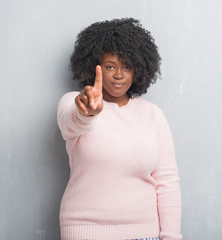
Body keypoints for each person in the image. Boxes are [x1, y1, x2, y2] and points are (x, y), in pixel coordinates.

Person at [57, 18, 182, 240]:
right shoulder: (73, 102)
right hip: (85, 232)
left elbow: (167, 182)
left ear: (139, 69)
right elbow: (73, 121)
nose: (118, 75)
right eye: (110, 66)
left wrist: (171, 237)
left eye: (127, 66)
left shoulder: (153, 115)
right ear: (93, 66)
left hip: (145, 234)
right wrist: (88, 111)